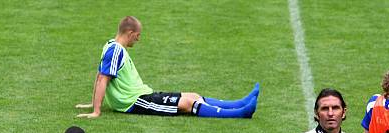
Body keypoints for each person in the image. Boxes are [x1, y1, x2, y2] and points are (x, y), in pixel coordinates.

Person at [76, 16, 258, 119]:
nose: (138, 39)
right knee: (187, 104)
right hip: (135, 101)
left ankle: (239, 104)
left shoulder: (110, 46)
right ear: (130, 33)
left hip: (143, 94)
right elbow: (102, 78)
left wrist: (93, 103)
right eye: (137, 36)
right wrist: (96, 111)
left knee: (193, 95)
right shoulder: (115, 50)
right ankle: (240, 113)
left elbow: (100, 75)